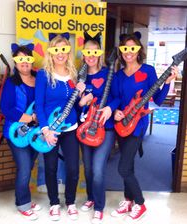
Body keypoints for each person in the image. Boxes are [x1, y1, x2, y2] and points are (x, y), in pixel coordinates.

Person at [111, 31, 178, 222]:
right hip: (122, 124)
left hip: (138, 125)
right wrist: (115, 112)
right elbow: (115, 99)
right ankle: (128, 200)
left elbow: (157, 99)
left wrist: (166, 84)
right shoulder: (118, 76)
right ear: (121, 51)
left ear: (138, 50)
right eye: (125, 48)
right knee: (128, 165)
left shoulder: (148, 71)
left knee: (123, 168)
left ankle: (140, 203)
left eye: (133, 48)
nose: (129, 52)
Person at [35, 32, 85, 221]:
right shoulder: (43, 75)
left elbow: (75, 102)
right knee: (50, 167)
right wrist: (45, 130)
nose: (60, 54)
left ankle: (70, 202)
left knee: (73, 168)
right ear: (51, 52)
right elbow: (39, 104)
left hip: (70, 128)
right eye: (56, 50)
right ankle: (54, 203)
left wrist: (81, 94)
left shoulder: (74, 73)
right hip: (50, 130)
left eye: (64, 49)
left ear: (68, 52)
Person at [78, 32, 120, 224]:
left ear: (100, 53)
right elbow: (72, 101)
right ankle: (90, 197)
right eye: (88, 51)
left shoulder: (109, 73)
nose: (91, 55)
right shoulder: (80, 75)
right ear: (84, 53)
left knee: (97, 170)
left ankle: (99, 206)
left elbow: (118, 97)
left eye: (95, 51)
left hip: (106, 128)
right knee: (87, 169)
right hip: (86, 128)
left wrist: (110, 108)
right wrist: (81, 100)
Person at [0, 43, 41, 220]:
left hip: (36, 132)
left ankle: (22, 198)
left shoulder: (40, 78)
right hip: (17, 131)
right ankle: (23, 204)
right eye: (20, 60)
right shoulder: (11, 82)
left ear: (32, 61)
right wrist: (30, 118)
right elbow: (6, 108)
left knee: (28, 166)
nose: (24, 63)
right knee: (24, 167)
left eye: (27, 59)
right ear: (15, 63)